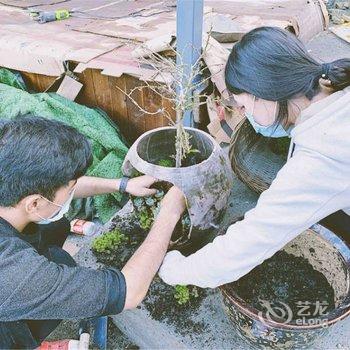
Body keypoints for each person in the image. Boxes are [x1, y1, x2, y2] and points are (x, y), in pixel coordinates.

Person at [159, 26, 350, 288]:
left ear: (264, 96)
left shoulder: (322, 157)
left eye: (244, 106)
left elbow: (248, 244)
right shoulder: (333, 89)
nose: (244, 113)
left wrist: (176, 270)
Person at [0, 116, 185, 348]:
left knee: (57, 246)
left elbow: (58, 186)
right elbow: (129, 292)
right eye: (68, 188)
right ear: (34, 203)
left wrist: (122, 184)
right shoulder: (15, 274)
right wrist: (169, 213)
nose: (71, 190)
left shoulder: (8, 178)